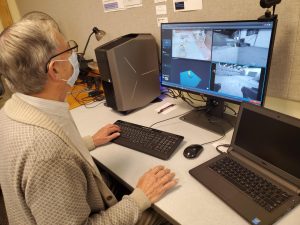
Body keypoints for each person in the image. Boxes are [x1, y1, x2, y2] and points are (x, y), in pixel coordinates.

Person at [0, 12, 177, 225]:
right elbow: (51, 157)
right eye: (69, 50)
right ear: (55, 69)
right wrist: (140, 198)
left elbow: (54, 153)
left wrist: (89, 142)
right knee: (171, 212)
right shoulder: (47, 154)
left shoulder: (12, 109)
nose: (76, 56)